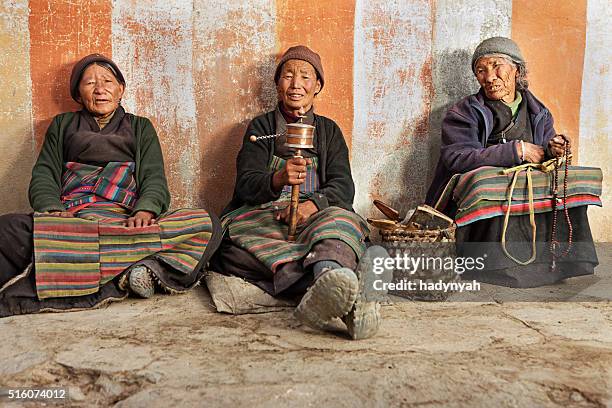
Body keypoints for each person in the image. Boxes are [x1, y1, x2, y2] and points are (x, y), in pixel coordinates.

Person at [0, 54, 221, 317]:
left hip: (123, 221)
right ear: (79, 94)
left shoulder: (140, 127)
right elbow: (45, 173)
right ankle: (133, 268)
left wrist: (145, 211)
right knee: (7, 229)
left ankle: (90, 262)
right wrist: (53, 210)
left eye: (107, 81)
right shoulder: (63, 125)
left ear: (121, 90)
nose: (100, 88)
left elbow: (154, 177)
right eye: (90, 83)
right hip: (75, 220)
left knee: (207, 222)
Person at [211, 46, 378, 339]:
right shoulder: (261, 127)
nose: (296, 83)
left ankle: (328, 278)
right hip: (265, 215)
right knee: (230, 249)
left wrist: (311, 206)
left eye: (305, 76)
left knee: (340, 225)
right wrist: (276, 179)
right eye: (288, 75)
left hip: (316, 216)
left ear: (318, 86)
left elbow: (343, 186)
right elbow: (246, 184)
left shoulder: (328, 131)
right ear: (278, 84)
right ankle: (341, 289)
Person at [425, 37, 599, 287]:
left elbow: (543, 150)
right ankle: (495, 266)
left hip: (530, 183)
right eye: (481, 70)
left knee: (572, 178)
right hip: (495, 187)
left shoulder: (538, 111)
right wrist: (516, 151)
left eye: (497, 67)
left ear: (517, 70)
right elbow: (456, 157)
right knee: (486, 184)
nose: (489, 77)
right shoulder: (464, 112)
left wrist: (553, 149)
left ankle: (560, 261)